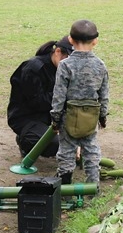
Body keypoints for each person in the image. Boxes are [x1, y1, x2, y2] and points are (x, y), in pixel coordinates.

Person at [50, 19, 109, 185]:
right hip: (90, 118)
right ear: (95, 41)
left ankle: (65, 188)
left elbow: (59, 95)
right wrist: (102, 117)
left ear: (70, 39)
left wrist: (55, 118)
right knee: (91, 151)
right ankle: (93, 186)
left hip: (68, 117)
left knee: (66, 153)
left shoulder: (65, 65)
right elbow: (104, 95)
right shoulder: (100, 65)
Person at [7, 36, 73, 158]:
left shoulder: (63, 70)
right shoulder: (33, 68)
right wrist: (63, 96)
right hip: (26, 118)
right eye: (69, 59)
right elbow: (37, 102)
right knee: (56, 145)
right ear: (58, 52)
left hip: (50, 116)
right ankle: (26, 141)